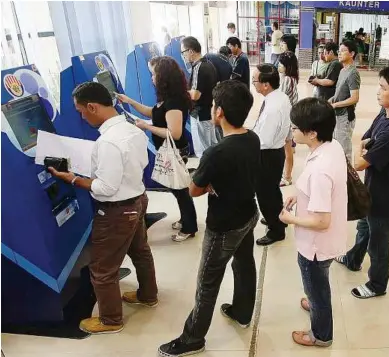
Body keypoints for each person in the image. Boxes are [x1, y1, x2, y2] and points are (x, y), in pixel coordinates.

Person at [158, 80, 260, 356]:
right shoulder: (252, 138)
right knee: (243, 263)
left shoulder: (217, 152)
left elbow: (193, 190)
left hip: (224, 225)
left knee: (207, 282)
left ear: (219, 113)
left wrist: (205, 182)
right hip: (248, 214)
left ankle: (193, 338)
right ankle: (242, 310)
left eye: (215, 105)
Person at [48, 82, 158, 334]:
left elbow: (105, 188)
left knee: (102, 268)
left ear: (92, 107)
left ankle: (110, 320)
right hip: (138, 200)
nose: (81, 116)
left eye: (80, 111)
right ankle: (148, 295)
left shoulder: (108, 142)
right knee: (140, 252)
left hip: (117, 211)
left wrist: (73, 179)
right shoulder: (131, 129)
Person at [335, 66, 389, 299]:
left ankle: (377, 284)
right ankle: (353, 259)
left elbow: (359, 163)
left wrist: (363, 150)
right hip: (373, 192)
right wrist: (365, 146)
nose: (378, 92)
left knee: (378, 246)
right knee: (364, 228)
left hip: (386, 200)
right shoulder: (384, 113)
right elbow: (367, 137)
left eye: (383, 88)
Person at [279, 97, 347, 347]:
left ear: (312, 133)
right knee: (318, 284)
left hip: (316, 246)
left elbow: (321, 221)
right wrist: (300, 194)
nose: (292, 131)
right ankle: (316, 301)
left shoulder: (321, 170)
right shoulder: (331, 147)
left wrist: (289, 218)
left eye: (295, 127)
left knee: (316, 285)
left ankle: (321, 335)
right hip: (327, 241)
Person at [116, 56, 198, 242]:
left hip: (175, 150)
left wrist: (146, 127)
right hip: (171, 150)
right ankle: (186, 220)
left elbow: (174, 133)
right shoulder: (168, 98)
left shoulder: (174, 102)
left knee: (180, 190)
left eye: (153, 74)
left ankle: (189, 227)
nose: (152, 78)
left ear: (163, 77)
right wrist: (129, 101)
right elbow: (153, 112)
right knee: (178, 189)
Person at [252, 64, 291, 246]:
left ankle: (276, 231)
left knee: (265, 194)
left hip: (267, 154)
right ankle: (278, 218)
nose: (253, 84)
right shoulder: (279, 97)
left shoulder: (272, 109)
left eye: (254, 81)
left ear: (266, 84)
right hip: (276, 152)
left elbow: (264, 140)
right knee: (273, 190)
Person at [181, 36, 218, 158]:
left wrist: (181, 92)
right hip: (208, 111)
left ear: (190, 51)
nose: (183, 55)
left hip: (200, 114)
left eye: (183, 52)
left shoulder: (198, 67)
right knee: (212, 146)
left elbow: (195, 95)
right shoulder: (209, 64)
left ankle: (208, 175)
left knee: (202, 151)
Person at [329, 40, 361, 161]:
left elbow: (354, 98)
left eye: (343, 51)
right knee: (336, 147)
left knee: (344, 150)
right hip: (337, 114)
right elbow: (339, 92)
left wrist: (336, 105)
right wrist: (331, 100)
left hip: (345, 116)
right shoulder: (343, 71)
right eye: (339, 51)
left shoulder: (353, 73)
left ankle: (349, 179)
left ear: (352, 54)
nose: (339, 53)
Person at [278, 51, 299, 187]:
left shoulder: (287, 80)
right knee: (287, 148)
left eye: (281, 64)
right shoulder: (291, 78)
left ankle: (287, 177)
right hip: (288, 116)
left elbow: (281, 99)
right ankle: (286, 175)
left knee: (287, 149)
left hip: (286, 118)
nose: (278, 66)